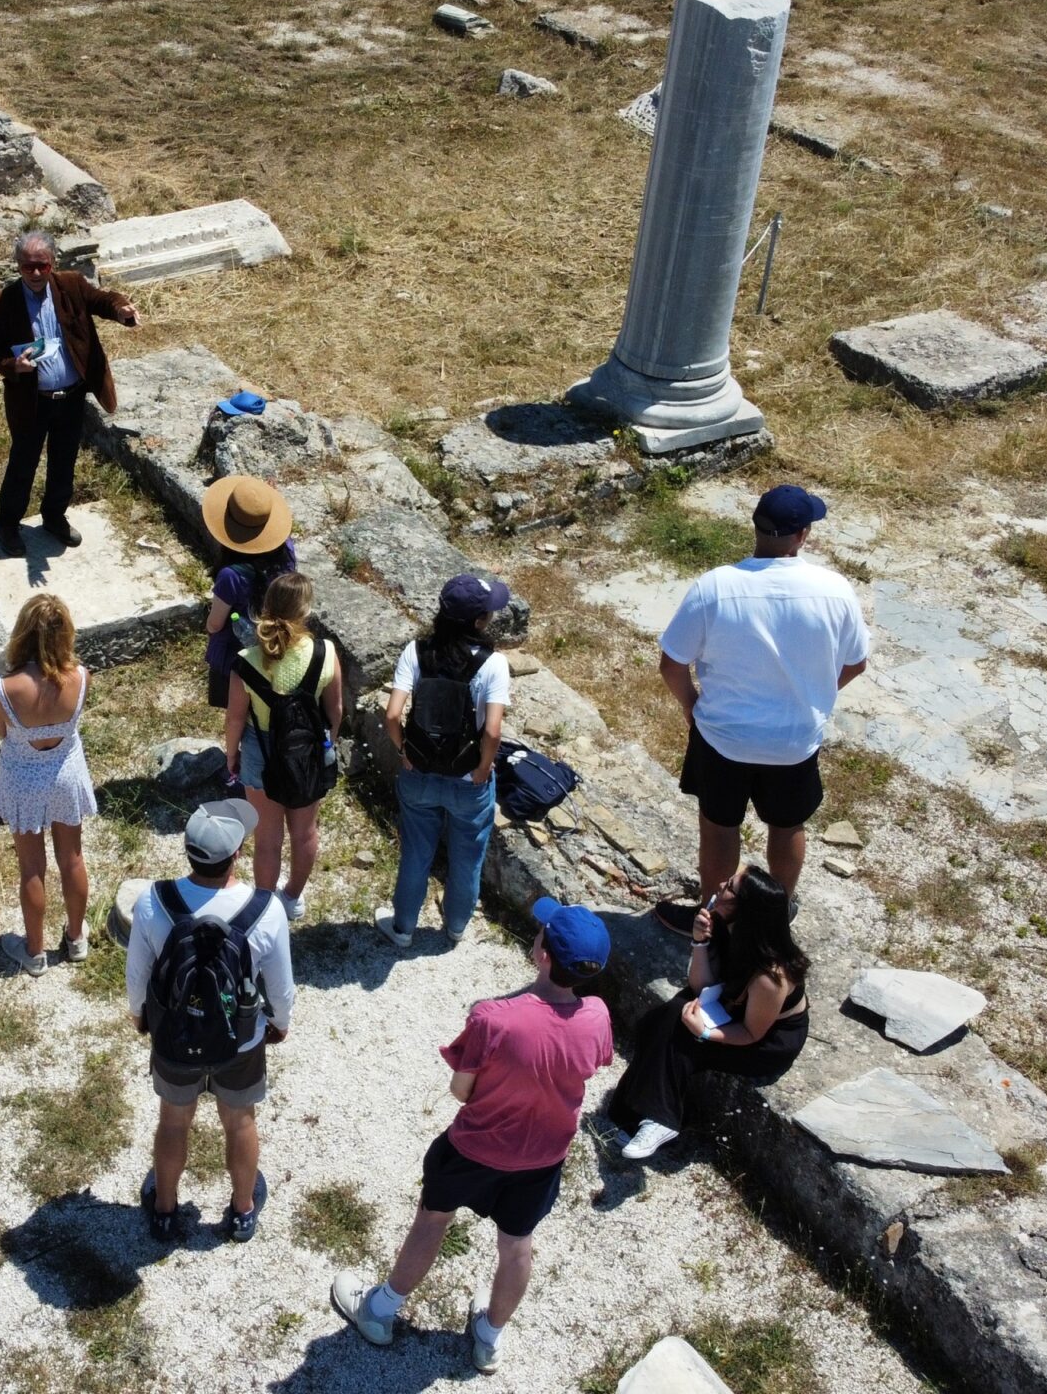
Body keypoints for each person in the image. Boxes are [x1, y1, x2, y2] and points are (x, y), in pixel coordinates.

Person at [331, 898, 614, 1373]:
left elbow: (461, 1091)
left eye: (542, 932)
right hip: (542, 1158)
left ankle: (379, 1311)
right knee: (517, 1244)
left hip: (473, 1149)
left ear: (544, 955)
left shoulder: (492, 1017)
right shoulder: (599, 1016)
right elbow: (593, 1060)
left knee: (432, 1219)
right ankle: (488, 1338)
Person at [658, 484, 868, 916]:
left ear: (755, 527)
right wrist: (814, 696)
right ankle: (776, 914)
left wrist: (691, 707)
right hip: (794, 739)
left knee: (719, 828)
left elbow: (672, 664)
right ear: (803, 534)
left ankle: (714, 918)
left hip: (723, 736)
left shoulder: (714, 587)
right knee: (787, 824)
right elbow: (855, 663)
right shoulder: (835, 590)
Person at [124, 799, 296, 1244]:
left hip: (175, 1039)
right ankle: (242, 1210)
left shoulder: (153, 902)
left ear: (187, 851)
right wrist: (279, 1022)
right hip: (238, 1041)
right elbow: (280, 986)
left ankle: (164, 1209)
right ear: (236, 855)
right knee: (240, 1121)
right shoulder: (266, 910)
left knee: (173, 1121)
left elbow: (138, 976)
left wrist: (141, 1018)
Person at [603, 867, 811, 1161]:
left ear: (744, 907)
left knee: (683, 1040)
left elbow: (752, 1033)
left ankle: (655, 1118)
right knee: (664, 1017)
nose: (721, 884)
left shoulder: (770, 975)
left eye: (730, 887)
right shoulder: (725, 926)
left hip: (767, 1040)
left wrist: (703, 1031)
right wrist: (699, 943)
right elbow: (702, 985)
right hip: (731, 1005)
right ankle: (640, 1116)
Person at [0, 231, 140, 558]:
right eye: (27, 267)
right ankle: (7, 526)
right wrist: (12, 365)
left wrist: (122, 309)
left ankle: (54, 517)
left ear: (53, 263)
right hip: (32, 401)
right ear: (18, 266)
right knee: (23, 464)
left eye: (42, 265)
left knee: (64, 462)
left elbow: (102, 299)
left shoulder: (72, 284)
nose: (35, 273)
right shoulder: (1, 303)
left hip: (71, 397)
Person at [377, 574, 514, 946]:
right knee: (467, 856)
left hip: (419, 772)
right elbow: (493, 732)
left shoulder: (416, 651)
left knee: (416, 852)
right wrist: (483, 769)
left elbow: (392, 715)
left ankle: (403, 928)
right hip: (468, 776)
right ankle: (455, 926)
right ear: (477, 621)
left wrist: (405, 751)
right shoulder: (494, 663)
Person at [0, 594, 97, 975]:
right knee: (73, 858)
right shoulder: (80, 677)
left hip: (23, 777)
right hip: (66, 773)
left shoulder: (2, 688)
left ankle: (34, 952)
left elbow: (3, 732)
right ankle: (76, 937)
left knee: (32, 866)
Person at [223, 572, 342, 912]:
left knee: (267, 839)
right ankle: (291, 898)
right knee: (304, 833)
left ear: (266, 607)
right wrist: (321, 749)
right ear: (305, 611)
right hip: (307, 750)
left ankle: (263, 906)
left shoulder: (247, 661)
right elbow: (335, 712)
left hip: (260, 751)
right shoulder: (326, 652)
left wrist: (232, 755)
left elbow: (234, 718)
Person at [199, 473, 297, 711]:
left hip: (237, 654)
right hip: (274, 645)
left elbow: (215, 624)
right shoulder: (287, 551)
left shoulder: (231, 576)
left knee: (236, 711)